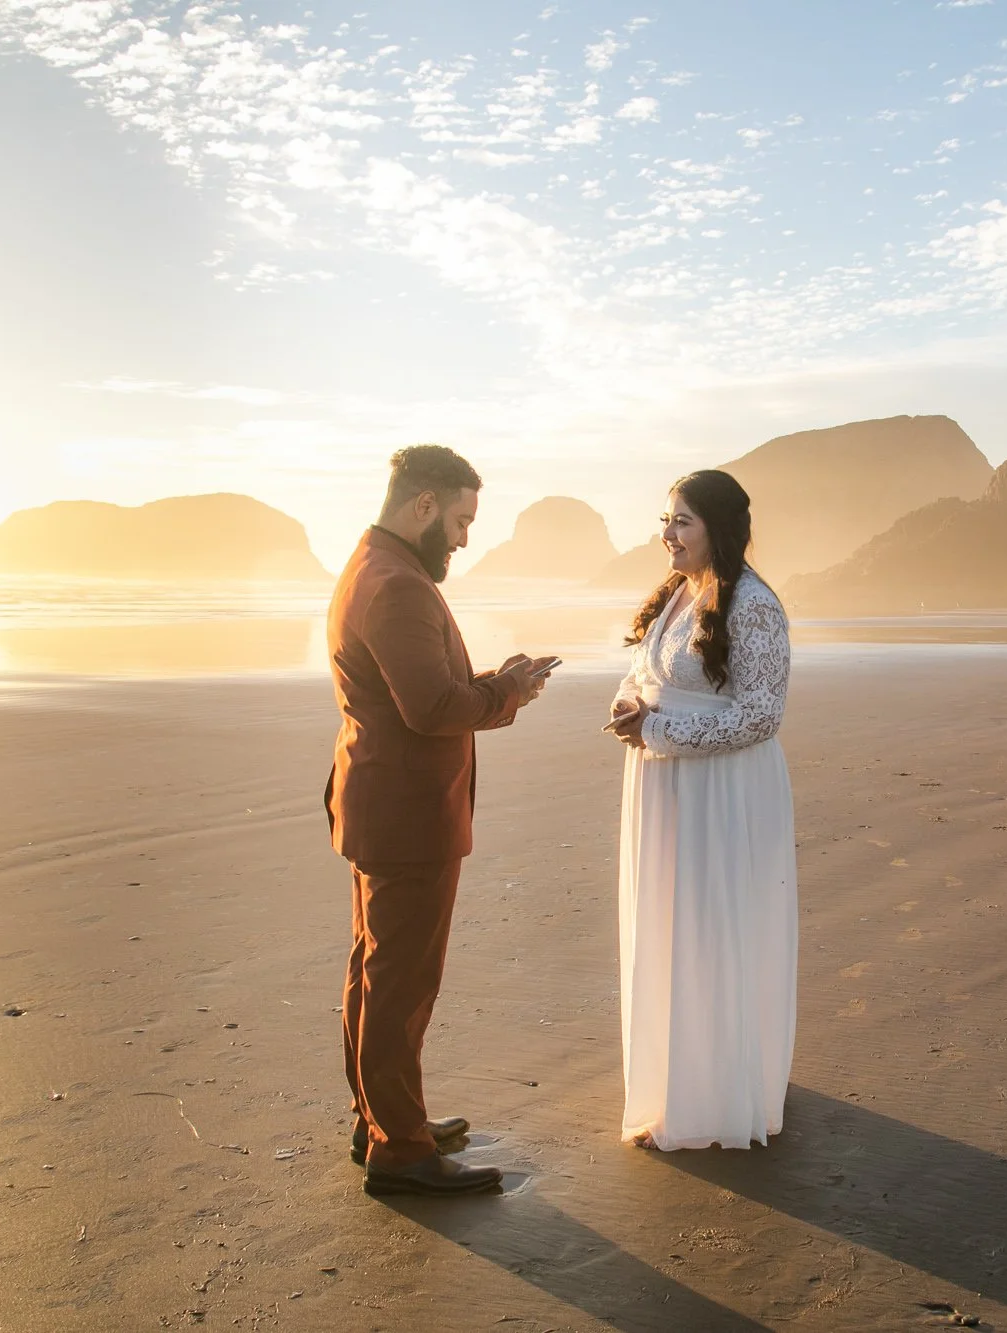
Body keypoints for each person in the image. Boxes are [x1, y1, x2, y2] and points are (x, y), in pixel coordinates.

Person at [325, 444, 551, 1196]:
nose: (462, 538)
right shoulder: (395, 584)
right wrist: (508, 692)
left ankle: (382, 1119)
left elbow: (419, 692)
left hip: (382, 805)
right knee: (400, 982)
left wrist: (495, 683)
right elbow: (430, 708)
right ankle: (400, 1150)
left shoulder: (374, 566)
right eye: (459, 520)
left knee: (374, 973)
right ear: (423, 504)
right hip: (407, 815)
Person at [607, 469, 798, 1150]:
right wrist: (631, 703)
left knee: (714, 929)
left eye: (682, 520)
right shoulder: (676, 597)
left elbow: (761, 715)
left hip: (723, 793)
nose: (668, 534)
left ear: (719, 526)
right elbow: (650, 670)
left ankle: (717, 1092)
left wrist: (659, 732)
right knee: (671, 925)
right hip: (667, 792)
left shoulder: (753, 605)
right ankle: (673, 1077)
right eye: (665, 519)